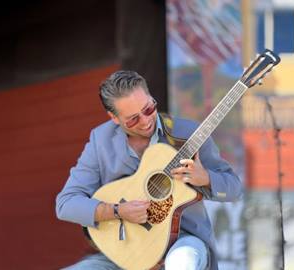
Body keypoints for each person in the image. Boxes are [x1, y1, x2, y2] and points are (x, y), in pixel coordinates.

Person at [55, 70, 243, 270]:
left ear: (152, 98)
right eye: (133, 119)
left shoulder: (188, 135)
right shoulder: (100, 140)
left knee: (182, 263)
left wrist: (205, 178)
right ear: (114, 118)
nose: (145, 121)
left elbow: (234, 189)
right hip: (126, 250)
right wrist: (117, 211)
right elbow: (66, 203)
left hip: (182, 241)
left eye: (148, 109)